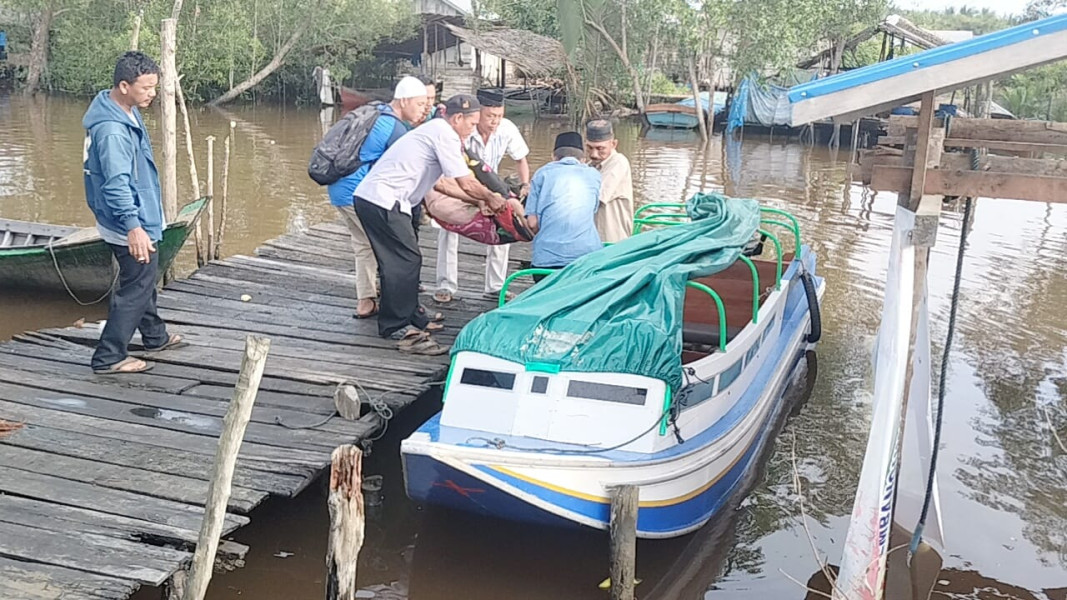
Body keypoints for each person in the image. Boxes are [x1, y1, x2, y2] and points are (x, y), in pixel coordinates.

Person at [353, 94, 504, 354]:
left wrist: (478, 200)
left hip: (380, 200)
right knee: (404, 261)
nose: (472, 130)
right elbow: (465, 180)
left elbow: (443, 184)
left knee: (403, 260)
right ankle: (397, 326)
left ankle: (413, 315)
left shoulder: (436, 131)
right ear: (458, 118)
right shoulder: (443, 133)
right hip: (382, 201)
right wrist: (491, 197)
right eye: (471, 124)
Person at [83, 51, 184, 374]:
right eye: (146, 88)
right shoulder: (112, 131)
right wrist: (134, 226)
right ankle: (109, 356)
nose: (152, 94)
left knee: (142, 277)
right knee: (137, 284)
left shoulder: (121, 108)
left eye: (155, 87)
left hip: (135, 216)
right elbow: (115, 184)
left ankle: (155, 336)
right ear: (124, 86)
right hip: (128, 221)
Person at [328, 76, 428, 319]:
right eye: (420, 103)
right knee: (390, 247)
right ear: (403, 101)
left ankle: (366, 301)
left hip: (337, 188)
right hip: (359, 193)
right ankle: (401, 309)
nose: (424, 109)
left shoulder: (376, 114)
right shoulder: (396, 128)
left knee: (364, 245)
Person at [434, 97, 531, 303]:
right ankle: (446, 284)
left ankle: (495, 287)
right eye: (490, 116)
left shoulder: (507, 129)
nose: (495, 121)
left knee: (504, 227)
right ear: (478, 115)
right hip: (458, 183)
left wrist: (524, 185)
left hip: (491, 184)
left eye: (499, 116)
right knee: (449, 229)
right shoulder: (462, 129)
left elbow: (520, 159)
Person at [525, 132, 602, 281]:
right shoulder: (594, 175)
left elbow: (532, 223)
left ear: (553, 157)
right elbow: (591, 210)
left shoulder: (542, 174)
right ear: (582, 159)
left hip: (546, 263)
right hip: (586, 261)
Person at [585, 119, 634, 243]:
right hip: (593, 236)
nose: (594, 154)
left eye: (600, 148)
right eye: (589, 148)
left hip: (612, 238)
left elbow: (598, 197)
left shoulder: (618, 162)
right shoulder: (590, 165)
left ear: (613, 144)